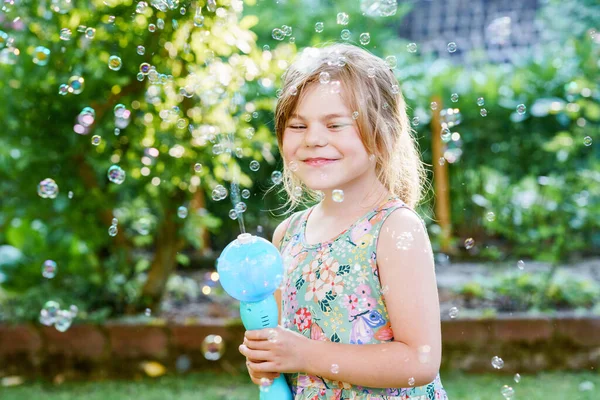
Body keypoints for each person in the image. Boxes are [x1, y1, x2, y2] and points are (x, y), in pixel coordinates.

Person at [238, 43, 449, 399]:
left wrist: (302, 354)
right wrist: (266, 358)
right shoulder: (287, 235)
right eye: (298, 125)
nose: (314, 139)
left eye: (336, 124)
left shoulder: (393, 228)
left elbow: (419, 361)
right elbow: (284, 353)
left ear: (383, 134)